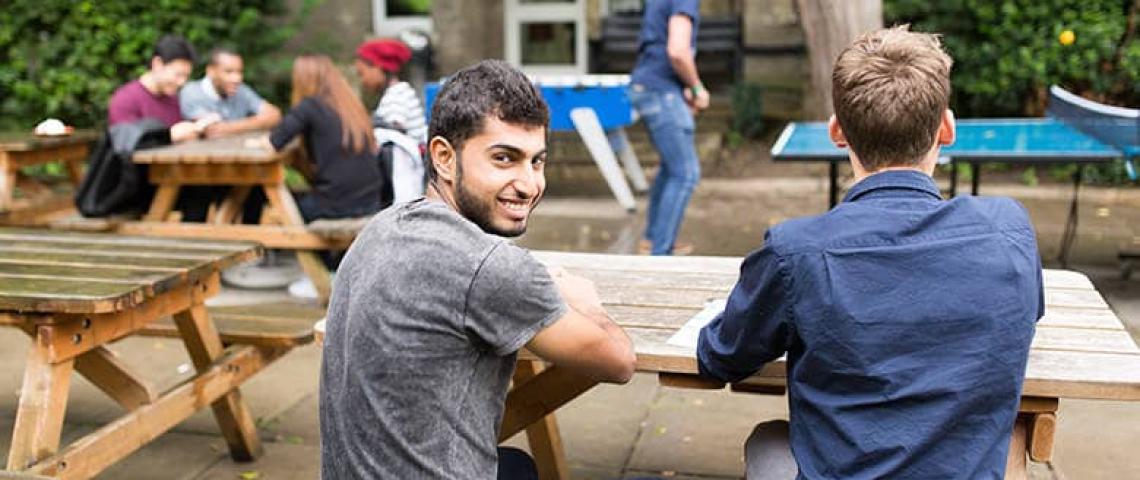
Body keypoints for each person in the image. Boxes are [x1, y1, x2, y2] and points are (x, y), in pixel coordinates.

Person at [696, 26, 1044, 479]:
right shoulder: (1009, 229)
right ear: (947, 128)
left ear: (837, 132)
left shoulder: (794, 251)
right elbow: (1025, 315)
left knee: (767, 439)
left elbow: (720, 357)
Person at [320, 59, 636, 479]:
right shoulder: (489, 267)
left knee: (517, 466)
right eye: (504, 159)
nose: (528, 184)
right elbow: (619, 363)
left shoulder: (381, 228)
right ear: (444, 158)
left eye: (536, 162)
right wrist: (586, 301)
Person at [262, 54, 384, 223]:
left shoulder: (309, 106)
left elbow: (275, 141)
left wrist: (260, 142)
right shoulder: (351, 106)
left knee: (272, 211)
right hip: (370, 201)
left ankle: (305, 250)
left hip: (336, 206)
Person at [628, 0, 708, 255]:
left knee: (670, 167)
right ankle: (660, 255)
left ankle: (652, 239)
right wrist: (697, 87)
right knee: (686, 173)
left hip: (649, 85)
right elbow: (677, 51)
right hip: (661, 91)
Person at [107, 34, 202, 142]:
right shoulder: (125, 99)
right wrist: (168, 136)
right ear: (157, 64)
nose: (182, 82)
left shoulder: (173, 99)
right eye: (178, 74)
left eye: (186, 76)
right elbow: (124, 144)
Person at [179, 48, 282, 137]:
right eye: (229, 71)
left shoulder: (241, 90)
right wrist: (258, 122)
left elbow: (275, 115)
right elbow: (213, 131)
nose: (237, 79)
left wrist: (230, 127)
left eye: (239, 72)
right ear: (210, 71)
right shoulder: (191, 92)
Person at [354, 38, 428, 142]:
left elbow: (393, 135)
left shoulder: (396, 97)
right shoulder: (401, 90)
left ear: (378, 67)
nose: (362, 80)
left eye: (361, 73)